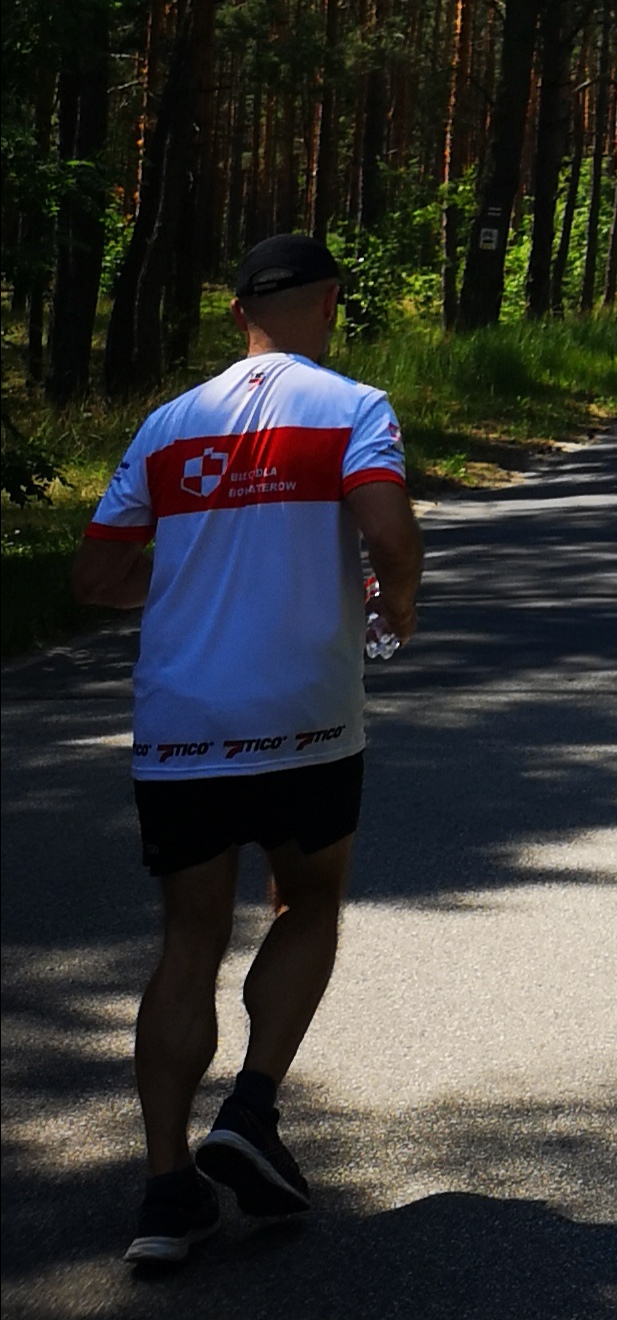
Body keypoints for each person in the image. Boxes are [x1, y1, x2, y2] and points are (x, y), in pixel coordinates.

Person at [69, 232, 424, 1269]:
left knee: (188, 937)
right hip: (305, 710)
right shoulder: (351, 406)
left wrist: (179, 591)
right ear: (330, 303)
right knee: (308, 897)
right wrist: (392, 605)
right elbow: (388, 532)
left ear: (238, 316)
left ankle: (166, 1187)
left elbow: (94, 577)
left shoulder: (170, 423)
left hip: (181, 720)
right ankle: (254, 1107)